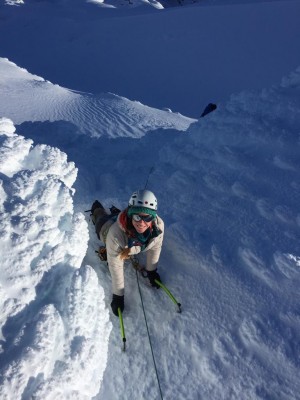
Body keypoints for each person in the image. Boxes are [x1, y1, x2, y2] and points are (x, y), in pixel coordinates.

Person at [91, 189, 164, 316]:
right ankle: (97, 209)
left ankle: (117, 213)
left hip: (126, 225)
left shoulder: (158, 227)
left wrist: (151, 271)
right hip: (107, 229)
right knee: (101, 221)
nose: (142, 223)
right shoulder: (115, 235)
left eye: (147, 217)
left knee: (121, 218)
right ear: (130, 215)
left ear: (153, 217)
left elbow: (155, 247)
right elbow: (115, 265)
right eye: (137, 216)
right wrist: (118, 295)